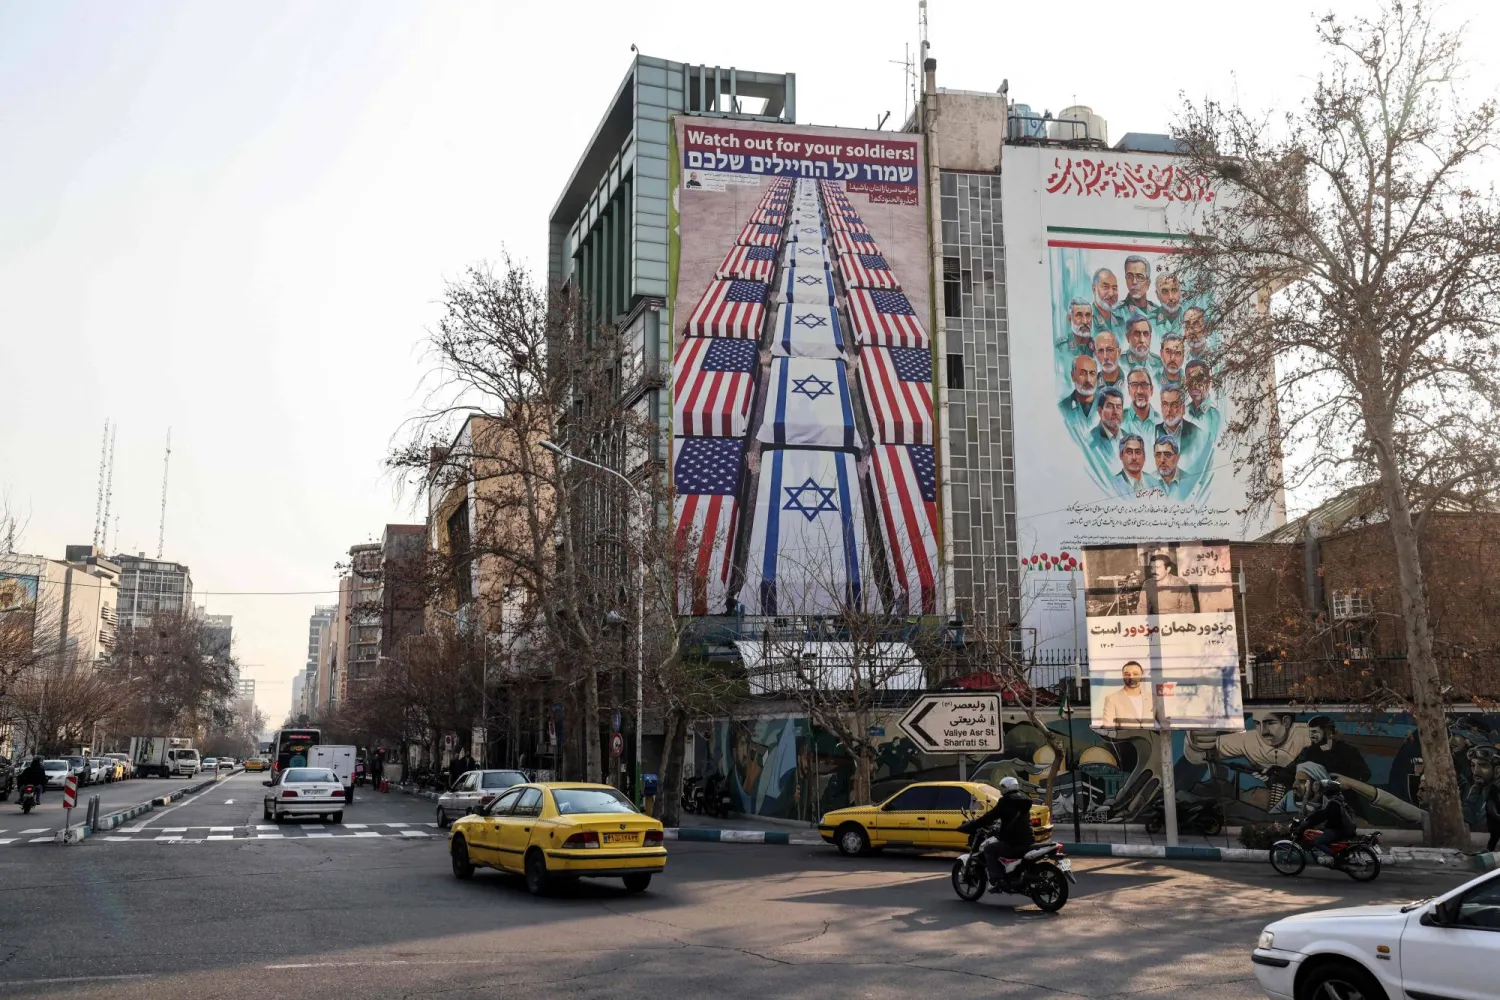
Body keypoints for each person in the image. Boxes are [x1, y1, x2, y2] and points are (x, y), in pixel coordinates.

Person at [957, 775, 1035, 887]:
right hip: (1029, 840)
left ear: (1005, 788)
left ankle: (997, 879)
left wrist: (972, 825)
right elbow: (1011, 819)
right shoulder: (1024, 800)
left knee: (989, 849)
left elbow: (990, 816)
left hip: (1013, 843)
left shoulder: (1006, 801)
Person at [1290, 716, 1372, 783]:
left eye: (1315, 732)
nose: (1311, 736)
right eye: (1310, 732)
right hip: (1316, 799)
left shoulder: (1348, 751)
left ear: (1328, 733)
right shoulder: (1307, 752)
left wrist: (1344, 781)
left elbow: (1364, 774)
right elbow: (1290, 771)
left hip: (1343, 798)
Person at [1297, 779, 1358, 863]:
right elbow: (1324, 813)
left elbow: (1324, 815)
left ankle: (1336, 857)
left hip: (1336, 830)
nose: (1324, 791)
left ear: (1330, 790)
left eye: (1325, 789)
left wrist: (1309, 821)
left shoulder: (1334, 803)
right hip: (1341, 828)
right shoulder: (1339, 799)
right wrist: (1311, 818)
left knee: (1318, 842)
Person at [1133, 549, 1197, 614]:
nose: (1153, 571)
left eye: (1157, 567)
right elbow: (1142, 607)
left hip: (1175, 620)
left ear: (1168, 569)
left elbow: (1188, 608)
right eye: (1152, 568)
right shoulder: (1147, 584)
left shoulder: (1181, 583)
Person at [1153, 387, 1202, 470]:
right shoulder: (1154, 431)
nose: (1169, 410)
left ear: (1183, 409)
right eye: (1165, 404)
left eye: (1174, 405)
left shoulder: (1196, 433)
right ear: (1161, 408)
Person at [1100, 661, 1156, 728]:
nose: (1131, 677)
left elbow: (1164, 724)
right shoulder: (1111, 699)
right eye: (1127, 674)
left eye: (1135, 674)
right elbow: (1108, 727)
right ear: (1123, 676)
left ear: (1142, 675)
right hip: (1124, 738)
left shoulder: (1153, 698)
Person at [1058, 355, 1099, 440]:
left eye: (1092, 373)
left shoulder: (1107, 404)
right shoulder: (1062, 409)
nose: (1088, 379)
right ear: (1073, 376)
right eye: (1083, 373)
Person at [1088, 388, 1127, 466]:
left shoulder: (1128, 437)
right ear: (1099, 411)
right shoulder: (1090, 442)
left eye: (1119, 407)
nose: (1115, 412)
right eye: (1110, 406)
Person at [1184, 360, 1221, 442]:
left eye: (1198, 379)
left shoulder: (1215, 415)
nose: (1194, 384)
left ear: (1208, 382)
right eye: (1189, 379)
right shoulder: (1184, 413)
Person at [1122, 314, 1162, 381]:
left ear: (1150, 337)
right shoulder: (1120, 361)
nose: (1142, 340)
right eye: (1137, 334)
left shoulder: (1159, 363)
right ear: (1128, 337)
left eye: (1146, 334)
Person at [1123, 369, 1160, 441]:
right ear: (1128, 390)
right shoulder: (1120, 421)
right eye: (1134, 385)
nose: (1139, 391)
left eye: (1144, 385)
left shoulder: (1161, 421)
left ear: (1151, 389)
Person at [1091, 268, 1120, 332]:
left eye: (1114, 288)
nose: (1111, 293)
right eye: (1106, 287)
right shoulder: (1087, 321)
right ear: (1094, 289)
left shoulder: (1121, 322)